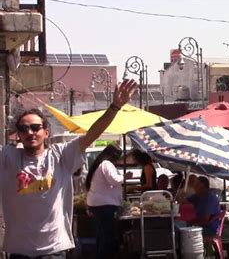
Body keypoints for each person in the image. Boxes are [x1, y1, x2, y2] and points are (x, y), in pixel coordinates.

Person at [0, 79, 137, 258]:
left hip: (54, 250)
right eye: (23, 129)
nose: (30, 133)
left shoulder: (61, 156)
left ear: (46, 132)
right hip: (19, 252)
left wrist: (115, 107)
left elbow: (92, 134)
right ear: (18, 134)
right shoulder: (7, 158)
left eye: (35, 127)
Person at [85, 143, 131, 259]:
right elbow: (114, 180)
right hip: (104, 204)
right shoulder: (106, 164)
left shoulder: (99, 164)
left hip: (98, 204)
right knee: (108, 236)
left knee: (102, 234)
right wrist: (125, 177)